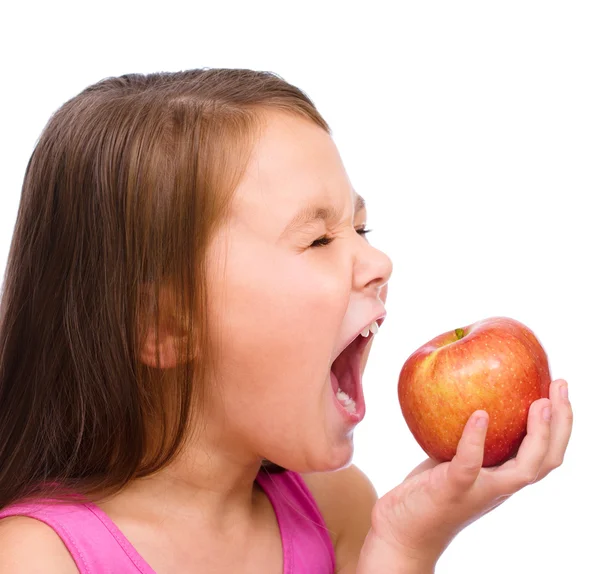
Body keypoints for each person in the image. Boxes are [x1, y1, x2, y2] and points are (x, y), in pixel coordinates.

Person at [0, 69, 572, 573]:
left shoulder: (342, 512)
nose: (379, 263)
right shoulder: (35, 558)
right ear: (166, 325)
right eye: (320, 238)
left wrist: (405, 550)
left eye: (361, 229)